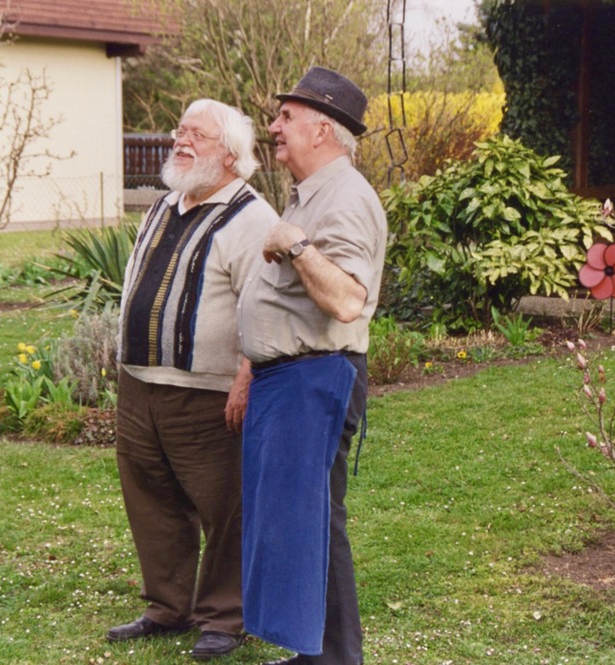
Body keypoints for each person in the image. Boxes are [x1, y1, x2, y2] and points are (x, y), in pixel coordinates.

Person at [107, 98, 278, 660]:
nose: (180, 141)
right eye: (180, 131)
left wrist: (248, 374)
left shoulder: (253, 218)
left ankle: (225, 617)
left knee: (224, 506)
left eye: (196, 135)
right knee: (151, 498)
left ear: (229, 153)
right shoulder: (164, 204)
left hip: (208, 393)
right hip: (140, 384)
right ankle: (168, 605)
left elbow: (264, 306)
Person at [237, 67, 387, 665]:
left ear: (323, 129)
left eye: (286, 117)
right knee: (303, 523)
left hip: (316, 380)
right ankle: (317, 653)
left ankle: (336, 658)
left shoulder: (346, 197)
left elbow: (348, 299)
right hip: (291, 380)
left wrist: (297, 245)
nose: (274, 127)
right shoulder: (313, 192)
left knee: (318, 523)